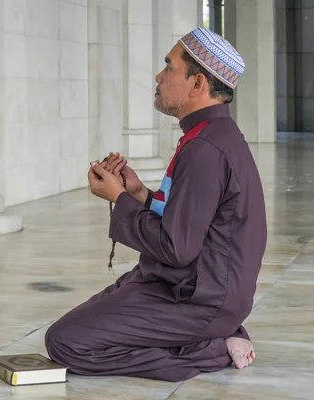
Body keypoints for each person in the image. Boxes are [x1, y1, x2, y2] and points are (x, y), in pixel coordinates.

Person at [44, 27, 267, 382]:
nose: (159, 76)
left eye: (169, 67)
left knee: (67, 343)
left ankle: (211, 347)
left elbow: (176, 248)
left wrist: (117, 198)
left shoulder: (206, 149)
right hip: (188, 285)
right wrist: (138, 194)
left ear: (197, 84)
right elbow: (193, 223)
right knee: (87, 320)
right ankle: (218, 333)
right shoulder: (210, 136)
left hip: (198, 300)